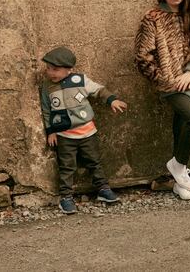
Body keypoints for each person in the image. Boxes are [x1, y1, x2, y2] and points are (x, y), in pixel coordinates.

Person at [134, 0, 190, 200]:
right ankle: (177, 166)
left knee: (181, 127)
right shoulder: (152, 19)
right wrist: (165, 79)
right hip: (170, 86)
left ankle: (179, 184)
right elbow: (142, 55)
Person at [39, 46, 128, 214]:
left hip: (87, 132)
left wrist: (112, 101)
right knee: (66, 166)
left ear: (69, 70)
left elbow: (98, 90)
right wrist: (51, 131)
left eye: (55, 69)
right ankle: (66, 197)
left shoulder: (80, 80)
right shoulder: (47, 87)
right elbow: (46, 110)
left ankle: (103, 188)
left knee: (94, 161)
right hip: (64, 135)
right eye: (48, 69)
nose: (51, 73)